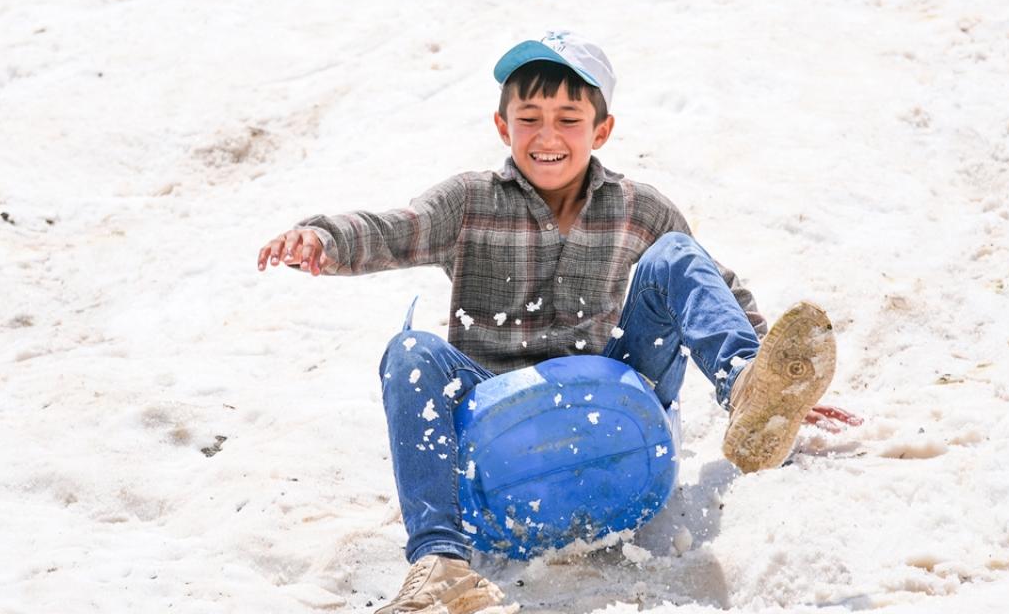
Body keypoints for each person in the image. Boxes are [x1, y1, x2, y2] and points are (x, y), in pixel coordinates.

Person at [257, 31, 860, 614]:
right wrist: (323, 238)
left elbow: (713, 286)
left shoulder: (638, 208)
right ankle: (440, 564)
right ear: (503, 126)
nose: (549, 136)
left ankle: (749, 391)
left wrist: (768, 376)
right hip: (495, 440)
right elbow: (395, 229)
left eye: (570, 119)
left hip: (622, 414)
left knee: (675, 257)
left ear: (602, 130)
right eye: (530, 118)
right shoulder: (469, 201)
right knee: (410, 351)